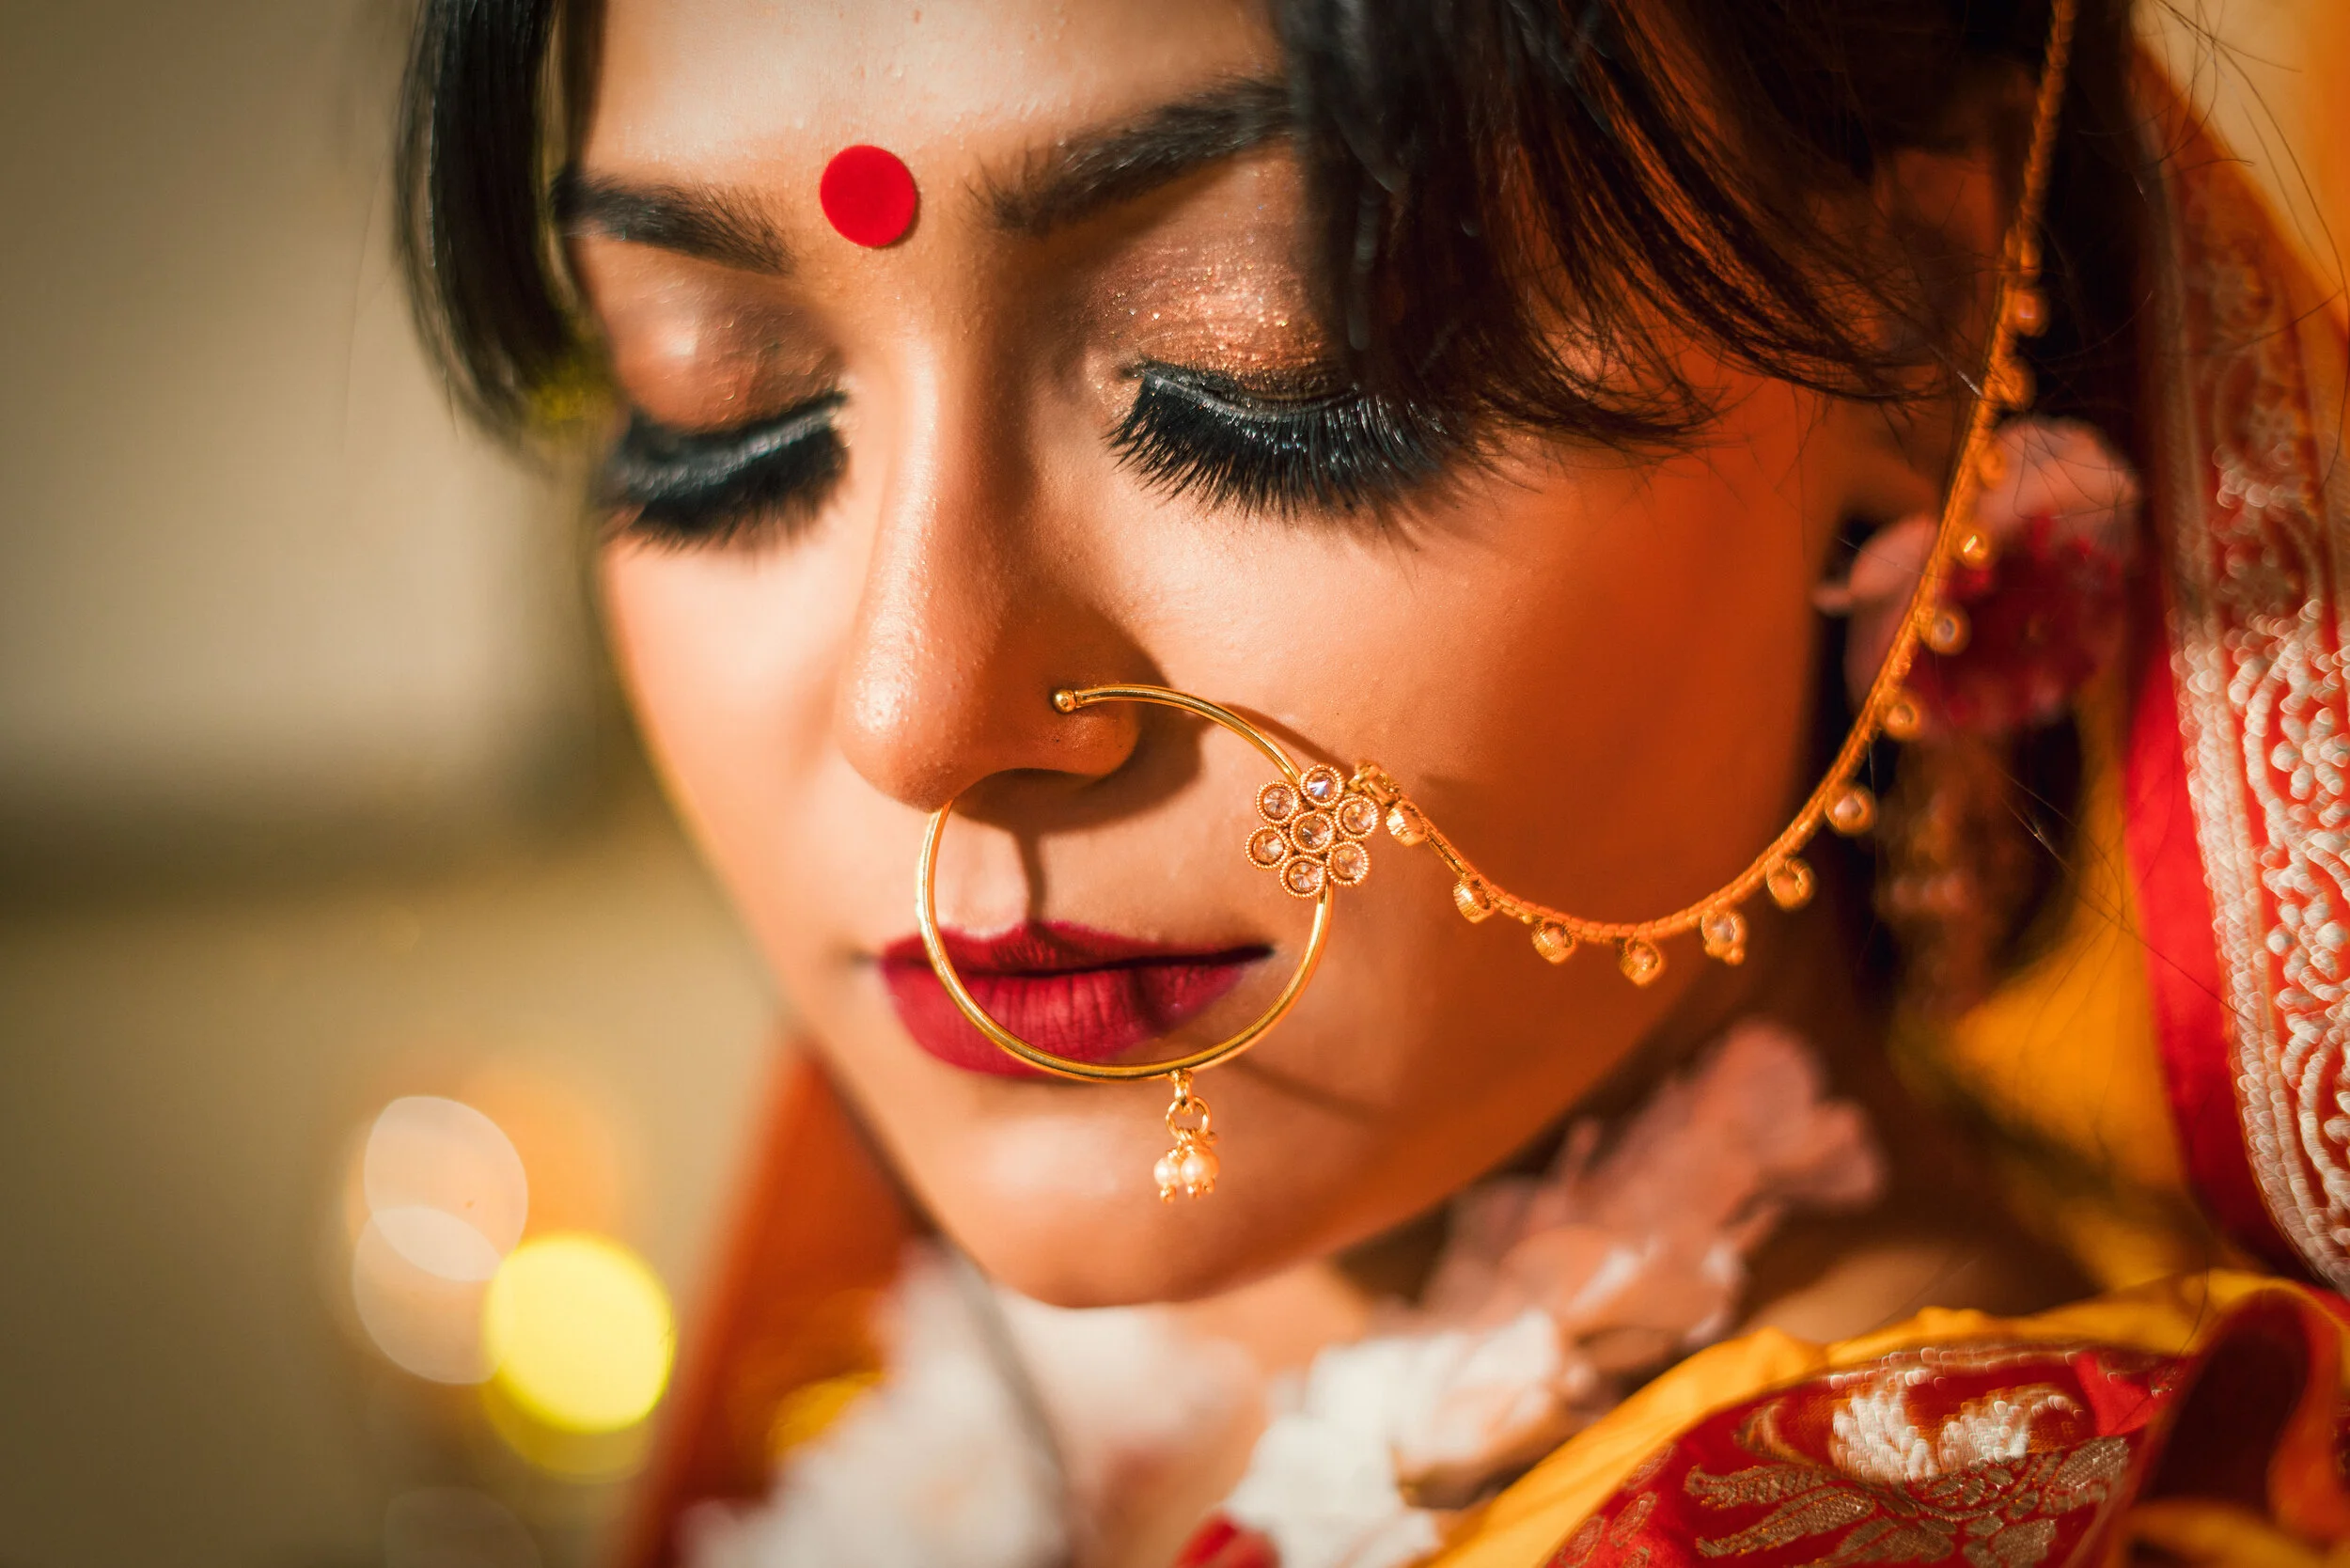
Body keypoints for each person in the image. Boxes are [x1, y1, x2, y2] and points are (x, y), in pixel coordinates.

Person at [395, 0, 2350, 1563]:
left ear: (1896, 329)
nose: (919, 709)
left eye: (1261, 358)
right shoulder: (943, 1410)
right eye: (718, 398)